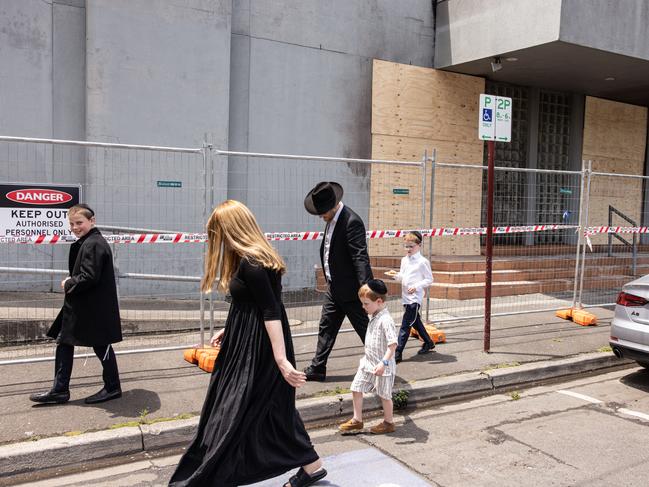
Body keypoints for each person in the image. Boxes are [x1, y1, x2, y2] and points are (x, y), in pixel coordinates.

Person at [169, 200, 326, 487]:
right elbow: (248, 305)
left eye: (216, 231)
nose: (213, 238)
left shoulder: (252, 263)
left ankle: (218, 472)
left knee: (242, 406)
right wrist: (229, 331)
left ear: (231, 229)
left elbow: (270, 311)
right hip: (247, 340)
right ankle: (312, 466)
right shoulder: (248, 258)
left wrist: (281, 361)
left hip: (260, 346)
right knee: (268, 406)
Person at [29, 204, 122, 405]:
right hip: (84, 305)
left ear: (92, 221)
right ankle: (60, 389)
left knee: (101, 345)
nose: (75, 227)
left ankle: (112, 387)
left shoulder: (93, 243)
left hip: (92, 307)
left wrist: (69, 282)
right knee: (65, 341)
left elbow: (89, 276)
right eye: (71, 224)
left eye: (79, 222)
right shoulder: (89, 242)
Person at [303, 181, 373, 382]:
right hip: (335, 289)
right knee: (326, 326)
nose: (320, 216)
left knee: (367, 331)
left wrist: (367, 290)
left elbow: (360, 257)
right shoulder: (331, 220)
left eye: (323, 211)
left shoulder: (352, 221)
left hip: (352, 292)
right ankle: (318, 368)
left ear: (334, 205)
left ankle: (383, 366)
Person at [339, 279, 397, 435]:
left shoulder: (386, 320)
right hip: (368, 363)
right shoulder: (374, 315)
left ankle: (389, 422)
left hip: (382, 366)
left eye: (366, 304)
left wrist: (384, 363)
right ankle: (357, 420)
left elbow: (393, 345)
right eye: (362, 303)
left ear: (379, 301)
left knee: (384, 395)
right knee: (356, 388)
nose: (363, 307)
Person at [385, 231, 435, 363]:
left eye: (411, 246)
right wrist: (395, 275)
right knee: (415, 321)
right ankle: (429, 342)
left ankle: (397, 352)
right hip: (406, 297)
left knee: (405, 325)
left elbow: (429, 279)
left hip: (415, 298)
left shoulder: (423, 262)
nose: (408, 249)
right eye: (406, 246)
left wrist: (417, 286)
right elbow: (403, 276)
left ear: (419, 245)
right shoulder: (404, 260)